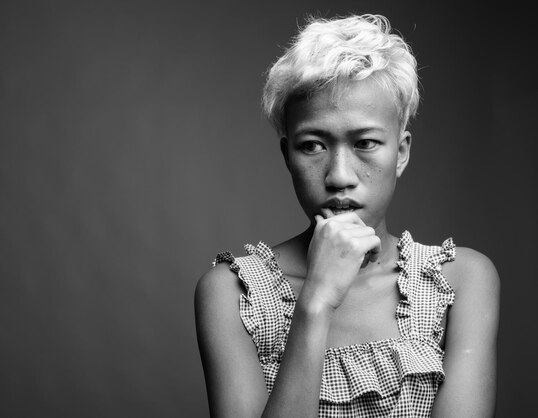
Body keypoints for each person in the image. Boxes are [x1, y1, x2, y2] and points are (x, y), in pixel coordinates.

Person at [194, 13, 499, 417]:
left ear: (401, 152)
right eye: (313, 146)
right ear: (287, 155)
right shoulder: (233, 293)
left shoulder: (459, 280)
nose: (339, 176)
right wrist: (316, 302)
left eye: (366, 143)